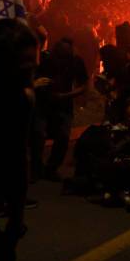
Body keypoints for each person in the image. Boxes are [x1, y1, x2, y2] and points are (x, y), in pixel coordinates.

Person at [0, 19, 38, 261]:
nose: (30, 74)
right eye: (23, 68)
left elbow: (16, 157)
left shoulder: (22, 98)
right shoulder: (17, 98)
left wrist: (16, 218)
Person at [31, 37, 89, 181]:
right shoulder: (45, 59)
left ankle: (51, 168)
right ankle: (36, 168)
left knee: (62, 136)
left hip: (63, 105)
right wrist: (36, 83)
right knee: (38, 135)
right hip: (42, 103)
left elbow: (84, 85)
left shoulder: (75, 61)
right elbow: (31, 76)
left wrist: (65, 95)